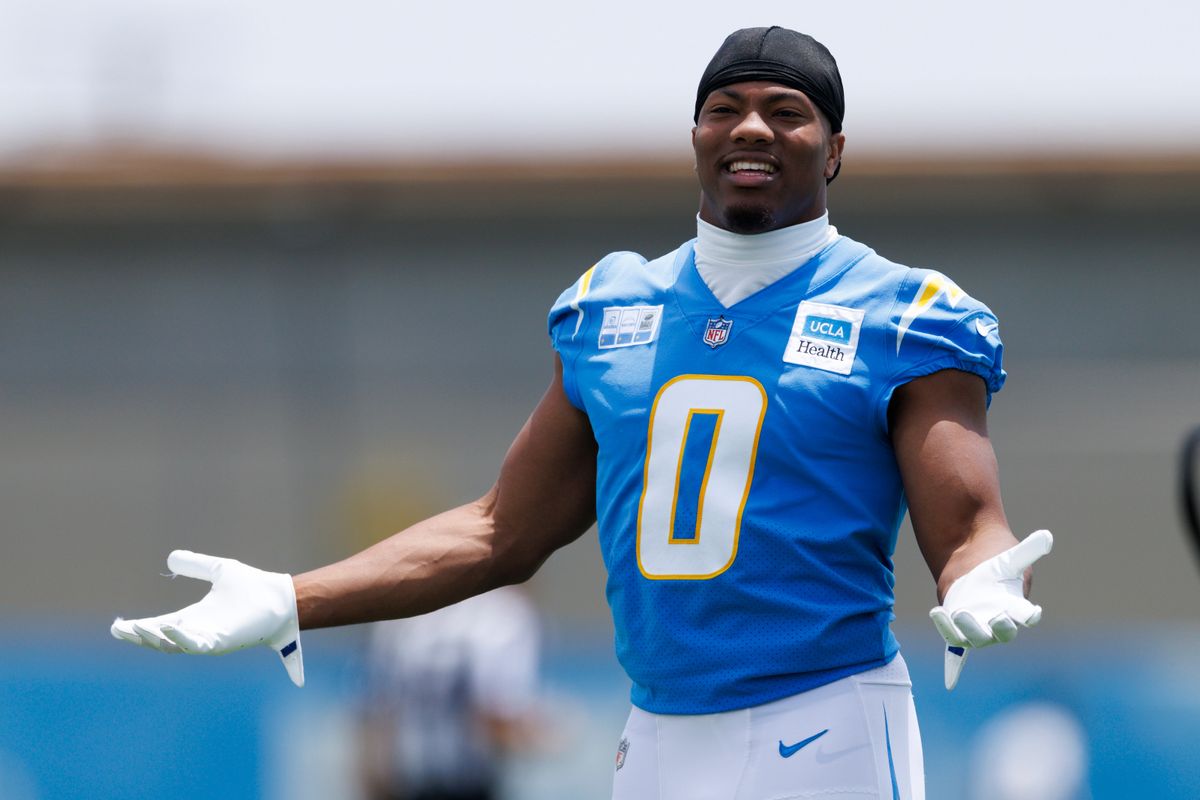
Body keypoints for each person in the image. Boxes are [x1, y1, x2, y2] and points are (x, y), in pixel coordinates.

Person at [112, 27, 1052, 799]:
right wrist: (291, 597)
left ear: (835, 149)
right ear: (695, 135)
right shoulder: (616, 306)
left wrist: (979, 584)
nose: (751, 128)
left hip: (825, 721)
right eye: (725, 108)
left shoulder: (902, 313)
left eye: (786, 111)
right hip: (656, 735)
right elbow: (499, 531)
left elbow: (969, 524)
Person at [358, 587, 541, 800]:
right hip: (468, 782)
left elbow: (375, 713)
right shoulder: (502, 613)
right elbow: (493, 719)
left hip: (409, 779)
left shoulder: (399, 609)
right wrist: (543, 737)